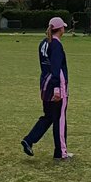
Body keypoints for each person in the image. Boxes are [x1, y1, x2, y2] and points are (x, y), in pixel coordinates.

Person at [21, 16, 73, 159]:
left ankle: (29, 140)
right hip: (56, 85)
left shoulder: (44, 43)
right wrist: (57, 88)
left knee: (49, 116)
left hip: (45, 84)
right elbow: (56, 67)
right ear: (60, 29)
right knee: (60, 119)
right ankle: (60, 153)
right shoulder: (56, 45)